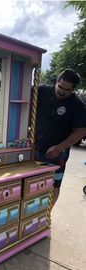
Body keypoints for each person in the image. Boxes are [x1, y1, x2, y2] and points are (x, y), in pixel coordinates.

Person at [35, 69, 86, 206]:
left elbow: (81, 131)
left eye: (67, 89)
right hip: (36, 149)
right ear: (57, 81)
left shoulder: (77, 104)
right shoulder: (43, 91)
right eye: (60, 87)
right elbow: (22, 90)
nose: (62, 91)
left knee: (53, 185)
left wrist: (59, 147)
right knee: (33, 184)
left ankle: (46, 217)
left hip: (58, 154)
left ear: (73, 89)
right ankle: (33, 217)